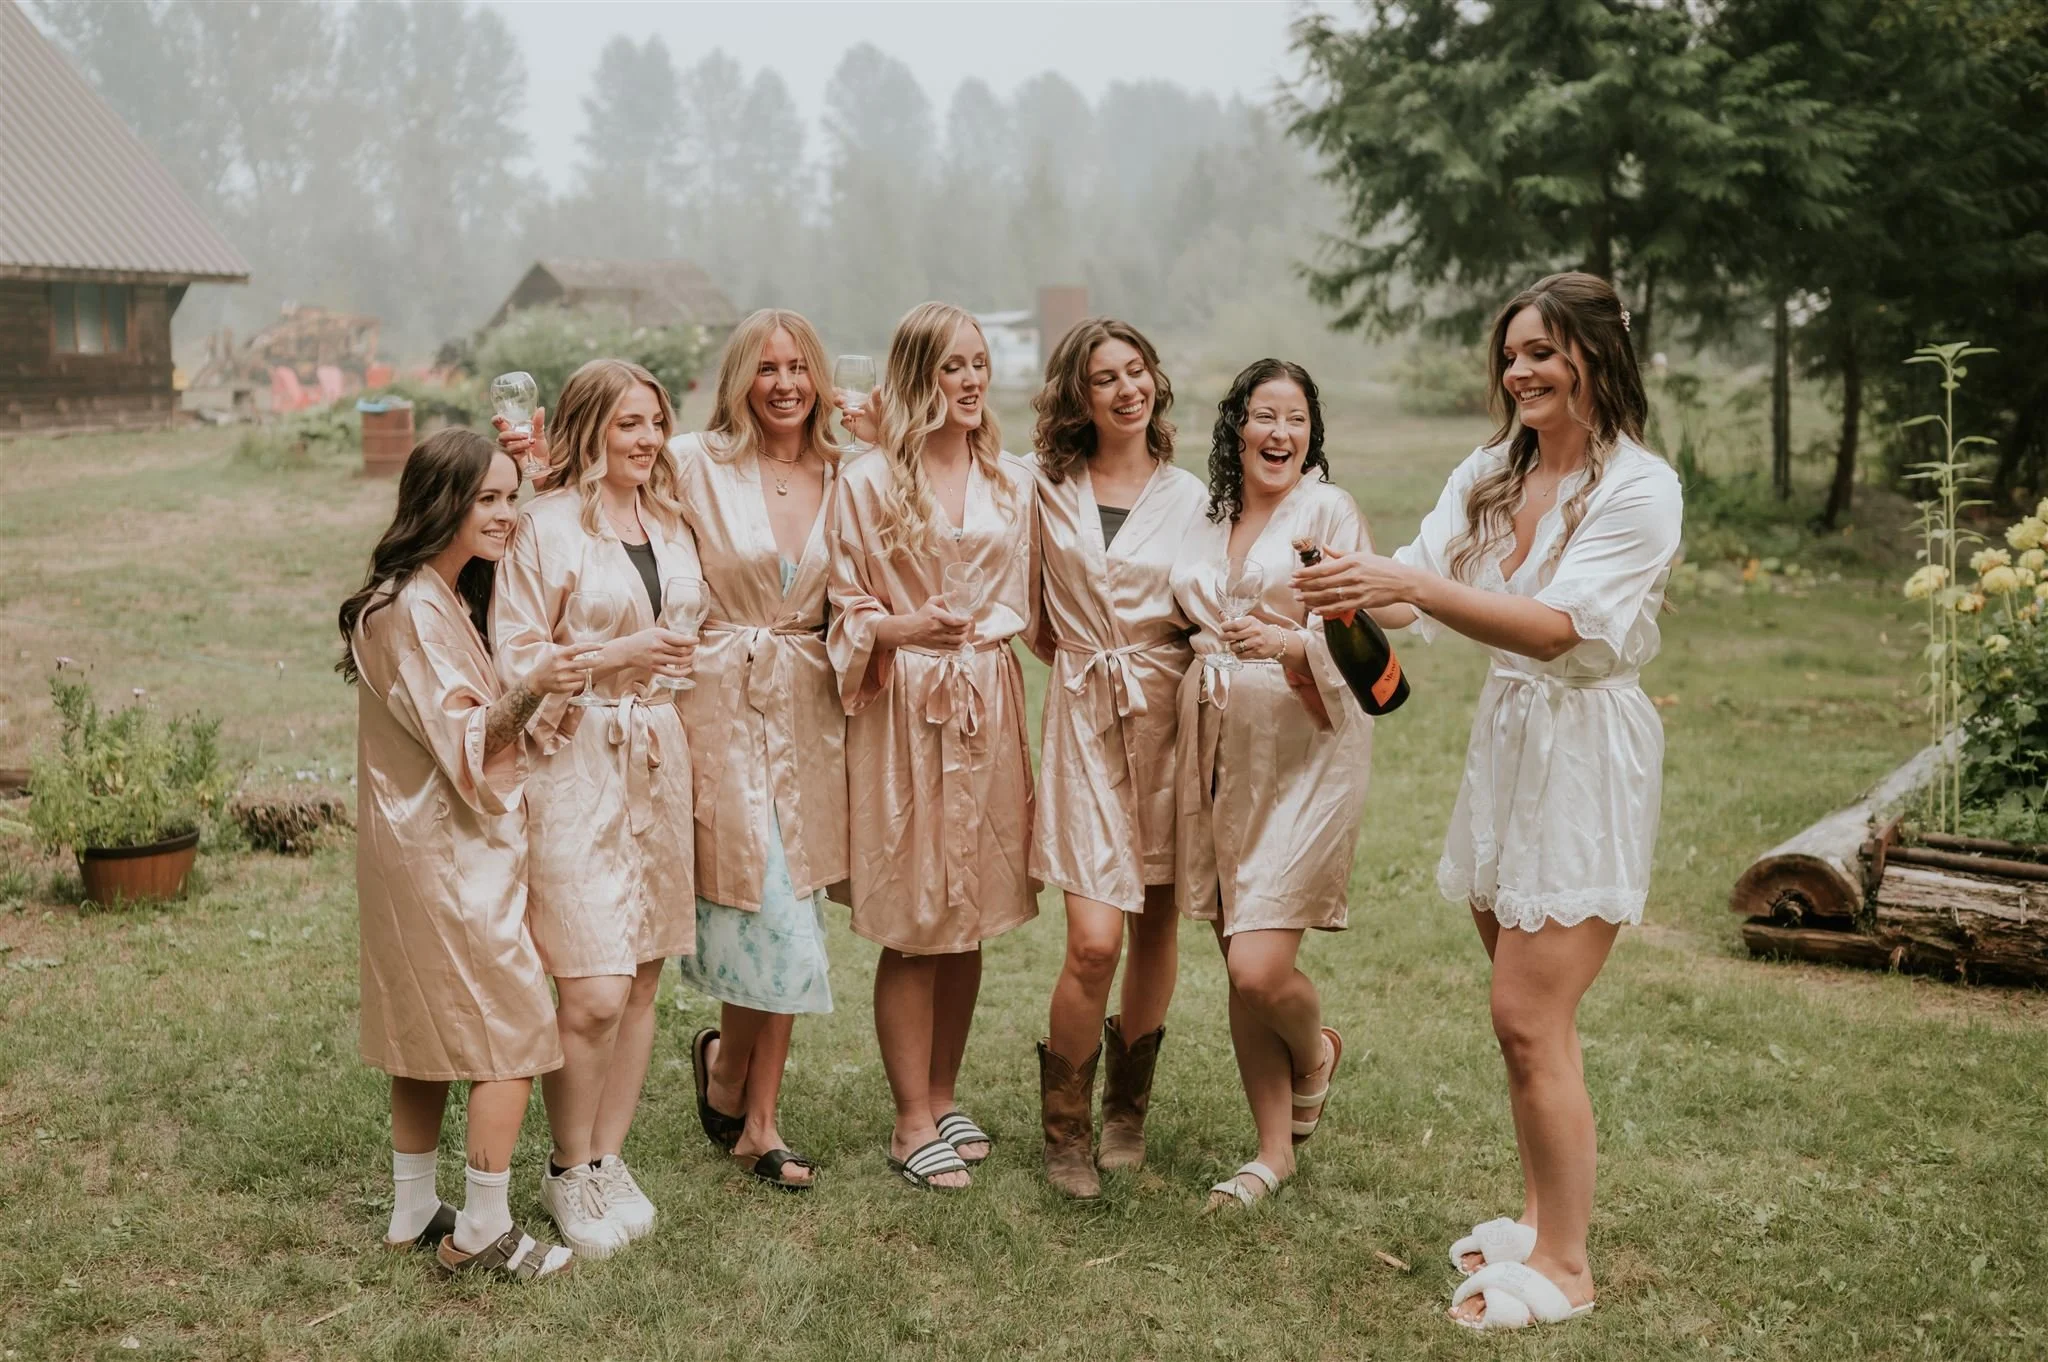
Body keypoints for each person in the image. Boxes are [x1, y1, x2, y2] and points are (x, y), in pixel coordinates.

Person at [1292, 272, 1682, 1331]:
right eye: (1511, 353)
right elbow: (1414, 585)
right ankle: (1536, 1215)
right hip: (1506, 750)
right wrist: (1342, 578)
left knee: (1526, 1015)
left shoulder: (1639, 488)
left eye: (1543, 352)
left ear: (1595, 358)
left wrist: (1410, 587)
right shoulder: (1488, 474)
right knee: (1524, 1027)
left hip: (1584, 751)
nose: (1519, 371)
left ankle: (1565, 1267)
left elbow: (1559, 627)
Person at [340, 428, 591, 1281]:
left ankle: (414, 1207)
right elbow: (469, 738)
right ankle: (483, 1223)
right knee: (514, 1030)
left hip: (409, 846)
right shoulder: (416, 609)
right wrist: (540, 682)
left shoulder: (421, 594)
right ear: (441, 502)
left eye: (512, 496)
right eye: (488, 498)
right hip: (448, 855)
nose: (507, 515)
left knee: (422, 1027)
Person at [829, 301, 1038, 1191]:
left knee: (973, 912)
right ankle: (909, 1118)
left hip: (986, 699)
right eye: (952, 367)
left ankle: (945, 1093)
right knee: (918, 921)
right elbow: (843, 605)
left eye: (980, 364)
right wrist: (901, 626)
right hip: (907, 705)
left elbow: (1028, 584)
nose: (971, 381)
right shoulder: (869, 480)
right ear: (917, 376)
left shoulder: (1008, 479)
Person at [492, 359, 699, 1257]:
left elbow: (687, 630)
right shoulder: (542, 529)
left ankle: (610, 1157)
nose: (647, 440)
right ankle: (566, 1168)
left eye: (655, 422)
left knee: (646, 971)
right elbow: (517, 655)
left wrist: (673, 666)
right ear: (586, 428)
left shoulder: (671, 522)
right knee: (594, 988)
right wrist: (620, 656)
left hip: (659, 753)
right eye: (627, 425)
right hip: (573, 758)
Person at [1168, 359, 1374, 1213]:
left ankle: (1316, 1054)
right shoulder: (1206, 515)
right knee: (1232, 955)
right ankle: (1269, 1153)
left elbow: (1364, 634)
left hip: (1307, 746)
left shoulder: (1326, 512)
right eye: (1263, 416)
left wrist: (1290, 645)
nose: (1279, 434)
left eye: (1295, 419)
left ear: (1310, 434)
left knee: (1259, 968)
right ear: (1238, 427)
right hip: (1218, 745)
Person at [667, 309, 847, 1191]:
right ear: (739, 379)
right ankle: (740, 1093)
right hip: (720, 702)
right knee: (756, 905)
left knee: (786, 908)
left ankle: (747, 1103)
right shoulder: (694, 464)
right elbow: (599, 487)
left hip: (809, 711)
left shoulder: (850, 473)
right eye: (766, 368)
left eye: (799, 367)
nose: (784, 384)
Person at [1025, 319, 1205, 1199]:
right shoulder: (1044, 489)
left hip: (1172, 718)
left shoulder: (1197, 497)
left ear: (1155, 381)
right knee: (1094, 943)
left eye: (1137, 370)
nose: (1126, 388)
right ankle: (1064, 1128)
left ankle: (1127, 1110)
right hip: (1085, 718)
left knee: (1158, 923)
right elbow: (1032, 616)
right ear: (1079, 397)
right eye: (1106, 378)